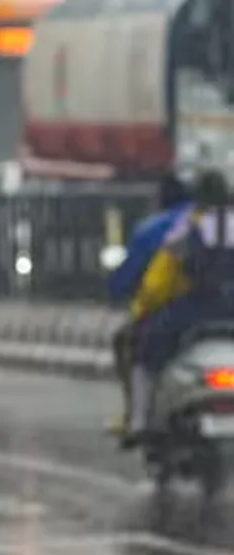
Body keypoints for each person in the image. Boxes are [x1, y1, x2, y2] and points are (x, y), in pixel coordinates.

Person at [128, 170, 234, 442]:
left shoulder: (191, 228)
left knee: (145, 348)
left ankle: (140, 418)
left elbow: (169, 268)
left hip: (198, 309)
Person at [107, 174, 191, 434]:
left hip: (178, 311)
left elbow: (133, 279)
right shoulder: (217, 224)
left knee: (134, 347)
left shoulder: (159, 230)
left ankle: (137, 417)